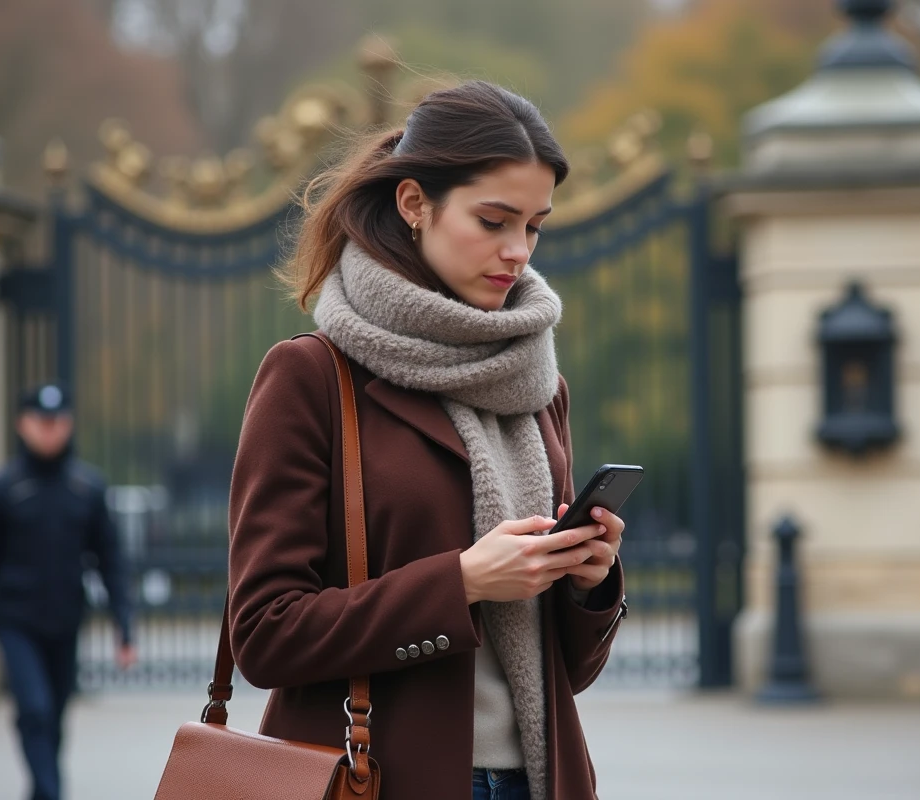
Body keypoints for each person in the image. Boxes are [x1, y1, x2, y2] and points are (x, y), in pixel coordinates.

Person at [228, 81, 629, 800]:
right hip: (377, 779)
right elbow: (264, 632)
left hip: (541, 780)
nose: (517, 251)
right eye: (494, 220)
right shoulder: (312, 377)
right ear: (414, 204)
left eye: (534, 226)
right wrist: (463, 582)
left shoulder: (537, 386)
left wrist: (589, 584)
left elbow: (561, 673)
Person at [0, 383, 137, 800]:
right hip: (17, 622)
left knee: (55, 714)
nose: (51, 431)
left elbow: (110, 560)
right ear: (22, 425)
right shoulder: (2, 488)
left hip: (65, 619)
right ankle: (50, 791)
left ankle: (41, 787)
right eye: (42, 422)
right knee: (34, 709)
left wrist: (125, 625)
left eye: (58, 422)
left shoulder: (86, 487)